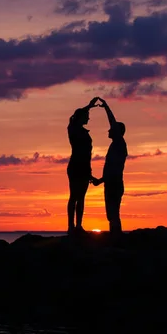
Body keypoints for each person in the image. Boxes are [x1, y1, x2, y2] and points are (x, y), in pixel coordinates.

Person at [92, 98, 127, 234]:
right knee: (111, 214)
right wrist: (100, 181)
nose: (108, 131)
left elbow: (112, 122)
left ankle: (116, 237)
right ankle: (115, 236)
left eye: (111, 129)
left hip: (115, 184)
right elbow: (110, 170)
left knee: (113, 213)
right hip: (111, 183)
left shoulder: (119, 143)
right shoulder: (115, 145)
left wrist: (106, 107)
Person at [67, 97, 99, 234]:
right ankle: (71, 227)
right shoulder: (73, 129)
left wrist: (89, 172)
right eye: (87, 116)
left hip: (85, 168)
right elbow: (76, 116)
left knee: (81, 198)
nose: (89, 119)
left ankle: (78, 226)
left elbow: (87, 156)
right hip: (75, 167)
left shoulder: (83, 132)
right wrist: (90, 106)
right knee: (74, 196)